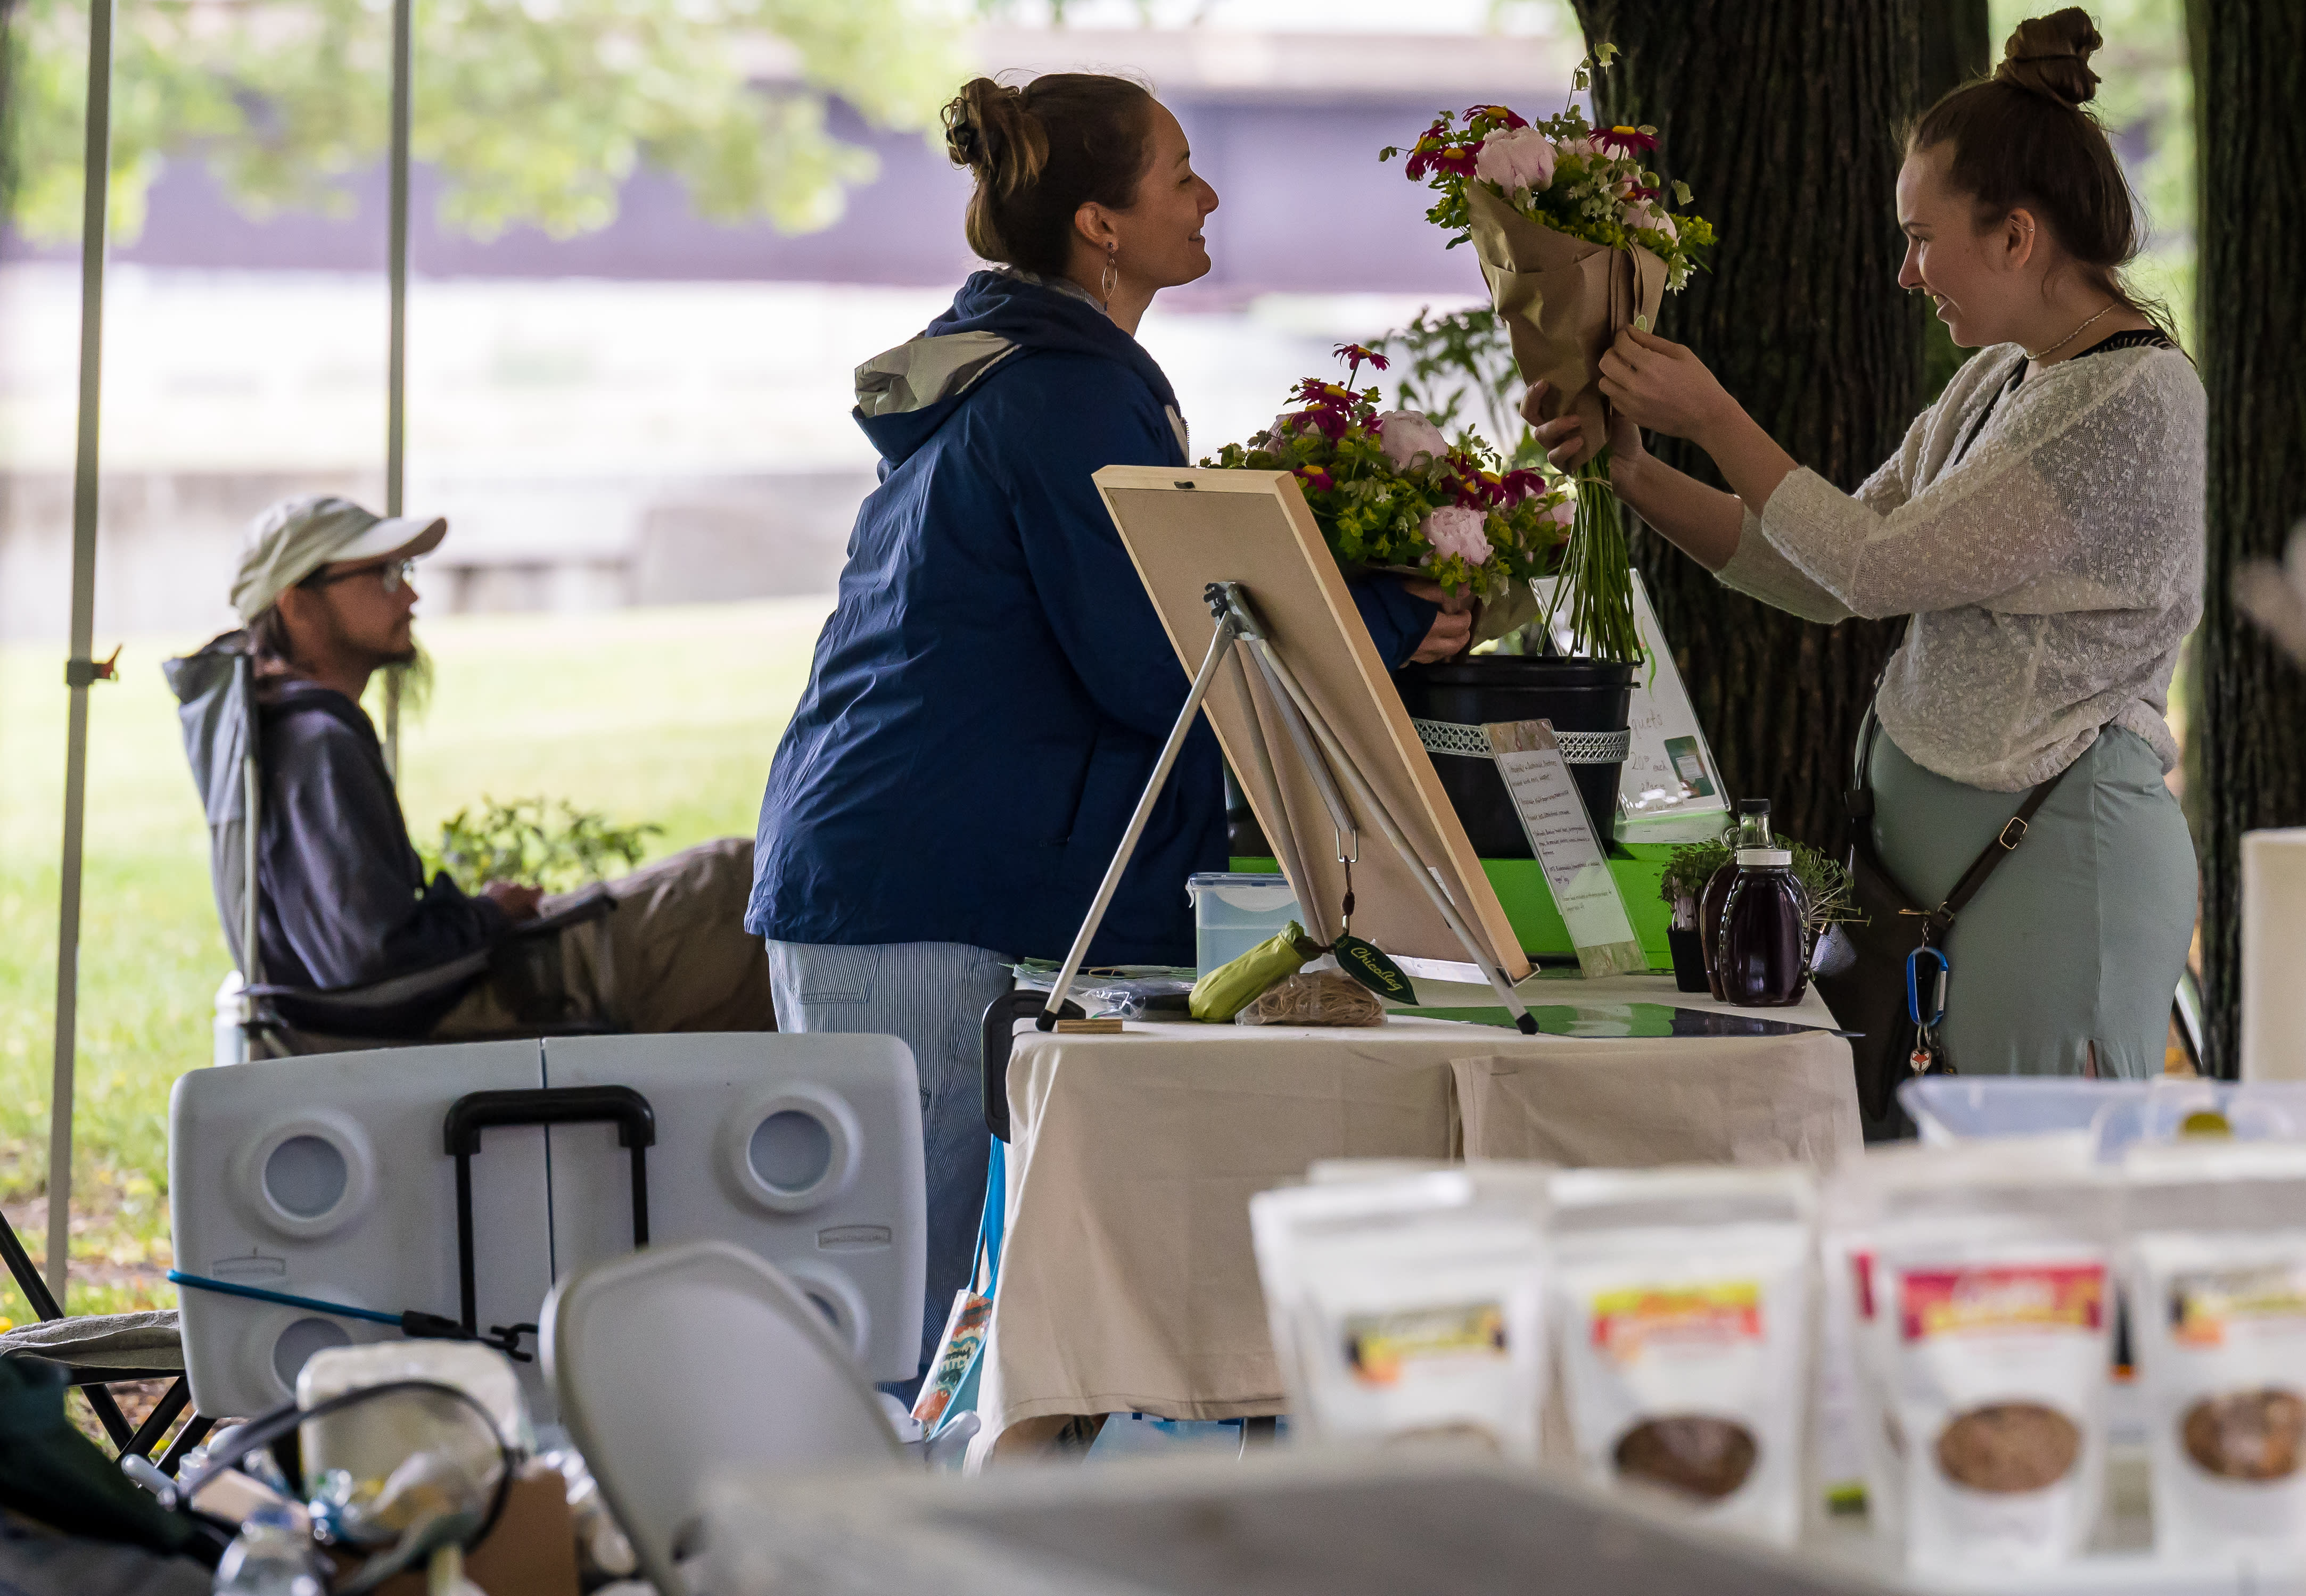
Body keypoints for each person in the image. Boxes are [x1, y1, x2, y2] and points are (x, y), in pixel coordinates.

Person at [747, 71, 1475, 1369]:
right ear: (1098, 221)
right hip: (925, 886)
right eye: (1179, 171)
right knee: (907, 1318)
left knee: (920, 1295)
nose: (1207, 195)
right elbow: (1158, 664)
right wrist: (1376, 618)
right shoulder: (1062, 395)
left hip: (888, 869)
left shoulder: (1024, 370)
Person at [1530, 8, 2204, 1079]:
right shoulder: (2004, 379)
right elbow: (1820, 570)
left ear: (2017, 235)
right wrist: (1628, 470)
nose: (1906, 272)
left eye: (1921, 237)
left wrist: (1713, 416)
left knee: (2025, 1205)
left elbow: (1870, 568)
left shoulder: (2129, 401)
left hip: (2056, 877)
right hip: (1971, 883)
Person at [208, 493, 772, 1036]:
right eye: (384, 576)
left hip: (463, 991)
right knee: (737, 887)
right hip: (475, 1008)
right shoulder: (318, 746)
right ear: (298, 605)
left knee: (736, 876)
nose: (410, 598)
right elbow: (376, 969)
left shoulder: (293, 730)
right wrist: (488, 915)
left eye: (404, 572)